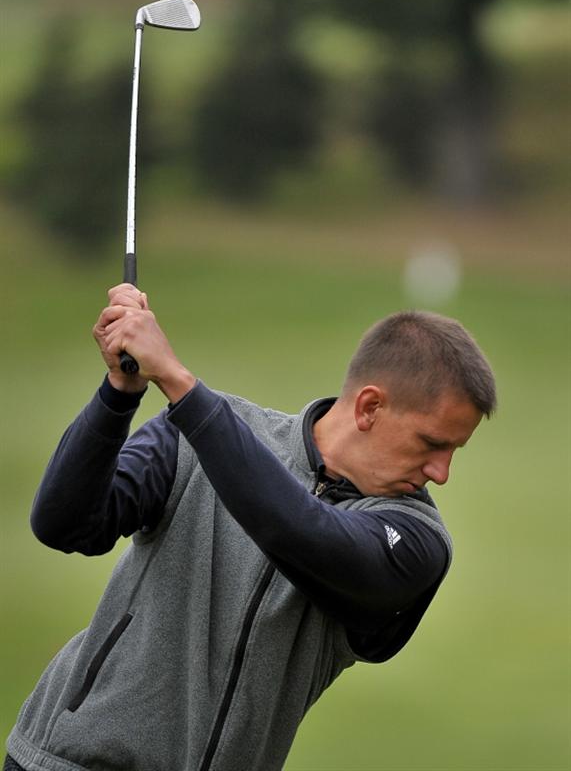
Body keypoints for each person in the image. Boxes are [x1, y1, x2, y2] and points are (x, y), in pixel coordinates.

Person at [5, 284, 496, 771]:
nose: (441, 472)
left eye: (454, 450)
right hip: (65, 761)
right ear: (370, 407)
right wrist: (119, 393)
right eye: (432, 443)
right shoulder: (194, 437)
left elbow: (301, 532)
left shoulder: (417, 539)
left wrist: (178, 383)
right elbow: (64, 524)